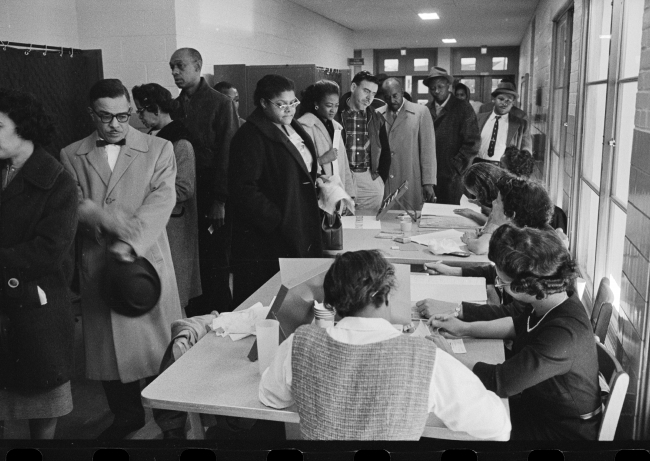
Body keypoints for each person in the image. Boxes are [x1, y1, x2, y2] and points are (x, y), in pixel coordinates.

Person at [259, 250, 511, 440]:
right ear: (387, 294)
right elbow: (498, 425)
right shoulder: (425, 358)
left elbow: (271, 397)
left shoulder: (299, 344)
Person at [60, 79, 182, 440]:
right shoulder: (71, 154)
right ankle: (125, 415)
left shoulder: (160, 148)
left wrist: (130, 241)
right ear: (91, 115)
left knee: (160, 349)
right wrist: (103, 222)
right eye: (105, 116)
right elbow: (74, 202)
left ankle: (171, 420)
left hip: (145, 261)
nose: (115, 124)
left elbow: (162, 200)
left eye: (123, 115)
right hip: (99, 260)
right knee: (110, 353)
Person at [425, 225, 601, 440]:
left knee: (446, 423)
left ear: (527, 286)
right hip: (536, 406)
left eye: (502, 282)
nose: (499, 284)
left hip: (559, 431)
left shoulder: (564, 334)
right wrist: (464, 327)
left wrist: (448, 356)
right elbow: (517, 326)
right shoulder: (551, 300)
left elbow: (501, 382)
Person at [0, 88, 78, 439]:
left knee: (42, 397)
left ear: (24, 129)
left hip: (35, 305)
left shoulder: (58, 180)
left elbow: (49, 251)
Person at [228, 75, 323, 305]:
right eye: (281, 104)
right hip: (270, 237)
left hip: (297, 224)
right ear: (263, 103)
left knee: (298, 299)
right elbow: (244, 190)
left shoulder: (291, 126)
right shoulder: (250, 136)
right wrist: (279, 219)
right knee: (271, 302)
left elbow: (301, 169)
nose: (289, 109)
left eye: (293, 103)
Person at [169, 47, 239, 315]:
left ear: (198, 67)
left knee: (215, 262)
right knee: (192, 262)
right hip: (186, 194)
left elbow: (228, 154)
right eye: (172, 67)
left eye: (180, 66)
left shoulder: (221, 104)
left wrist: (220, 200)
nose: (175, 72)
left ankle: (222, 318)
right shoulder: (175, 106)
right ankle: (196, 319)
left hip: (212, 192)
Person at [132, 83, 201, 314]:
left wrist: (147, 193)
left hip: (175, 224)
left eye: (141, 110)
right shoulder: (155, 138)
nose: (139, 116)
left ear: (156, 109)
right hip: (162, 221)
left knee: (175, 289)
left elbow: (185, 188)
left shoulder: (180, 142)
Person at [335, 71, 391, 214]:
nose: (369, 98)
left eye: (373, 93)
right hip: (342, 177)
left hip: (368, 178)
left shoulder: (376, 118)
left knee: (367, 227)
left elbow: (385, 152)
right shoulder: (336, 113)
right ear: (353, 87)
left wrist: (379, 181)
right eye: (366, 91)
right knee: (342, 227)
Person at [424, 67, 480, 205]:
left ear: (448, 86)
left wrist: (455, 167)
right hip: (430, 177)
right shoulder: (425, 109)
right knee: (430, 215)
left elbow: (473, 143)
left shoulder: (463, 108)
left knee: (451, 215)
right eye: (432, 88)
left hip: (453, 177)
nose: (436, 91)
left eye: (440, 87)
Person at [460, 175, 554, 255]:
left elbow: (479, 247)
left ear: (510, 214)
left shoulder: (531, 244)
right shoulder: (526, 229)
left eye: (497, 201)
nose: (493, 203)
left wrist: (469, 239)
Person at [380, 77, 437, 208]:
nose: (392, 100)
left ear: (402, 91)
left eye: (395, 96)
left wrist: (428, 183)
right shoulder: (378, 114)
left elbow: (428, 150)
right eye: (387, 97)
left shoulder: (421, 112)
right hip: (386, 179)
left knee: (410, 218)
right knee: (386, 218)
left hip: (411, 178)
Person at [297, 79, 354, 198]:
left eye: (336, 105)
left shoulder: (335, 126)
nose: (333, 110)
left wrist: (350, 194)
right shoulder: (306, 126)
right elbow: (299, 167)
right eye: (329, 105)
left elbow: (344, 165)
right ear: (316, 104)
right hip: (317, 194)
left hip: (337, 192)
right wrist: (323, 159)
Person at [500, 147, 568, 234]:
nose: (500, 171)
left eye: (502, 167)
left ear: (511, 174)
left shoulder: (511, 205)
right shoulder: (557, 213)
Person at [475, 82, 532, 164]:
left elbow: (526, 149)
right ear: (494, 100)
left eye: (508, 100)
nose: (504, 103)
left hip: (504, 169)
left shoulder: (521, 124)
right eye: (501, 99)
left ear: (513, 103)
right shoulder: (479, 118)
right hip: (478, 164)